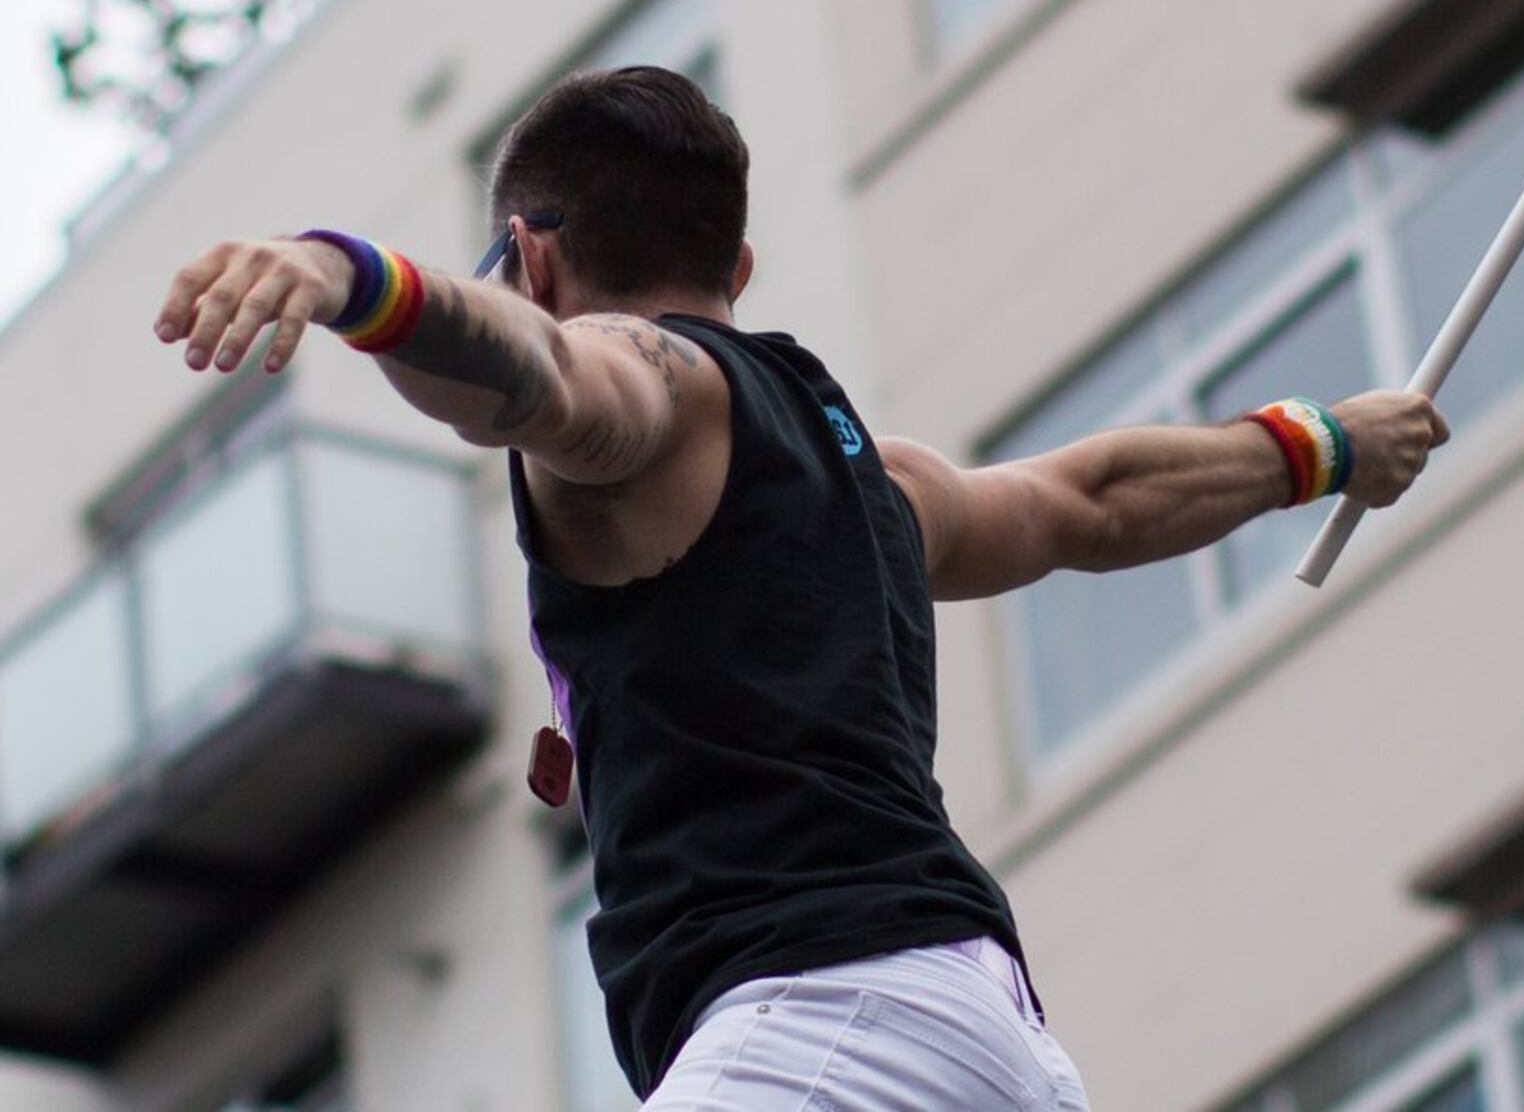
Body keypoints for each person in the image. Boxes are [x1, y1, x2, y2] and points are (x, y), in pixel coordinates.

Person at [149, 65, 1444, 1109]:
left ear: (532, 264)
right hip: (983, 1037)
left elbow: (545, 382)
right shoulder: (863, 473)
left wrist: (348, 279)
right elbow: (1084, 503)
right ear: (741, 271)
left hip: (826, 1022)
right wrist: (1318, 446)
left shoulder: (649, 384)